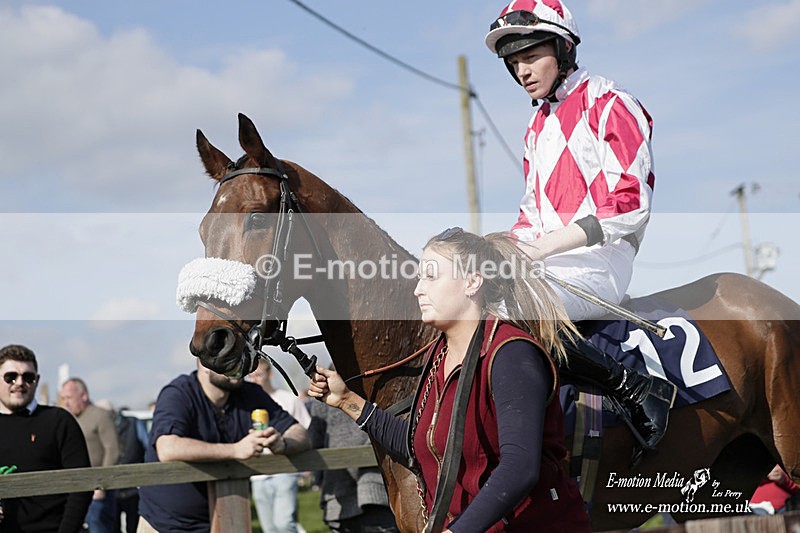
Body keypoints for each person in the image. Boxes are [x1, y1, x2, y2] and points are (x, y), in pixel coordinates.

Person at [484, 0, 675, 452]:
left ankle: (633, 386)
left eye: (531, 57)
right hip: (549, 262)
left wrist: (543, 247)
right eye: (513, 62)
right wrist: (501, 249)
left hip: (600, 261)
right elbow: (531, 215)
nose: (522, 72)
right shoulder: (536, 126)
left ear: (563, 48)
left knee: (514, 312)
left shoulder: (611, 103)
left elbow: (631, 202)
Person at [309, 228, 591, 532]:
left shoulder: (510, 354)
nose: (418, 290)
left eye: (431, 277)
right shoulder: (439, 356)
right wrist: (346, 400)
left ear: (472, 282)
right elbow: (419, 445)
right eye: (419, 279)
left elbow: (520, 467)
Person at [137, 359, 312, 533]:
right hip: (165, 524)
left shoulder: (250, 393)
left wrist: (283, 443)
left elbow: (300, 433)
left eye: (241, 358)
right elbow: (168, 448)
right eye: (228, 359)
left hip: (227, 519)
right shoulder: (178, 393)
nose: (238, 366)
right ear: (204, 364)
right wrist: (236, 450)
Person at [0, 344, 92, 532]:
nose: (19, 382)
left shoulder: (59, 421)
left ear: (37, 380)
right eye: (11, 377)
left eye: (28, 377)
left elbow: (82, 484)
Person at [307, 373, 399, 533]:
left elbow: (315, 442)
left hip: (344, 492)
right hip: (376, 488)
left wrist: (319, 480)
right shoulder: (379, 382)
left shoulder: (321, 392)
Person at [247, 358, 312, 533]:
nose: (254, 379)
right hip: (258, 473)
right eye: (251, 376)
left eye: (258, 375)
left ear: (270, 374)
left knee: (284, 523)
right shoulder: (248, 404)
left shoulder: (288, 400)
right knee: (269, 528)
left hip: (286, 468)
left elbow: (306, 430)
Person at [59, 377, 121, 533]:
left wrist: (101, 485)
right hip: (76, 489)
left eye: (69, 398)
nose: (66, 402)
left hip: (97, 492)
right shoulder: (69, 418)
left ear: (84, 395)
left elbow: (112, 450)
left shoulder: (100, 415)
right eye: (63, 398)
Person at [112, 406, 149, 533]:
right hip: (134, 482)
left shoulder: (106, 425)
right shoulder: (134, 423)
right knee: (132, 525)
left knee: (115, 526)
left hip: (116, 485)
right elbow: (147, 447)